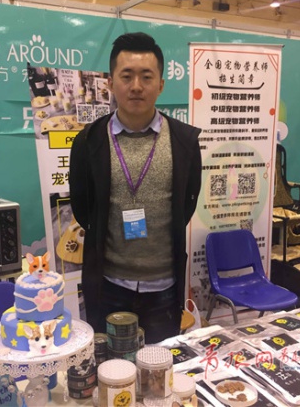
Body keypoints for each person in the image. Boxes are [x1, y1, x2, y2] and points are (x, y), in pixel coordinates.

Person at [69, 32, 202, 343]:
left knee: (160, 365)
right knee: (110, 365)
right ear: (110, 82)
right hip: (109, 285)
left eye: (146, 76)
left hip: (164, 286)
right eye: (127, 76)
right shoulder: (88, 141)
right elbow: (82, 207)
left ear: (161, 84)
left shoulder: (184, 141)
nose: (137, 86)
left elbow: (187, 203)